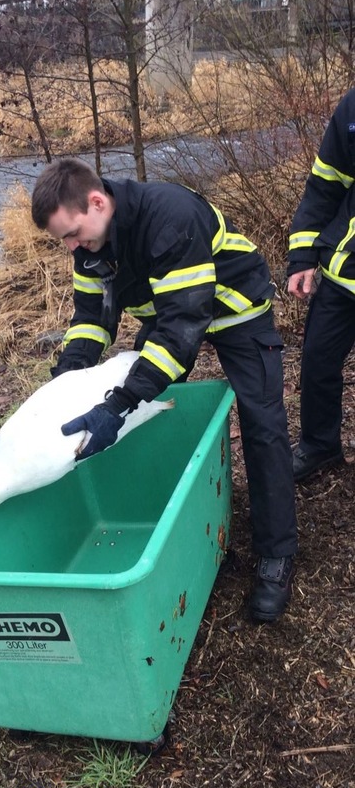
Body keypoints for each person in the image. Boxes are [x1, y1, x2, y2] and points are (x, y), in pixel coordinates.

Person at [31, 158, 298, 623]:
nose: (71, 246)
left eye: (73, 233)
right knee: (152, 408)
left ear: (97, 202)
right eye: (64, 240)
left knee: (263, 423)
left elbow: (181, 331)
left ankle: (277, 554)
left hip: (234, 308)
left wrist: (119, 402)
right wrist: (68, 377)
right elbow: (92, 321)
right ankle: (181, 520)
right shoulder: (89, 245)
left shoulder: (169, 216)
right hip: (172, 311)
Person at [287, 89, 355, 481]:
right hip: (345, 274)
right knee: (317, 362)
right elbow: (324, 187)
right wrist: (303, 257)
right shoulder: (351, 110)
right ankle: (319, 446)